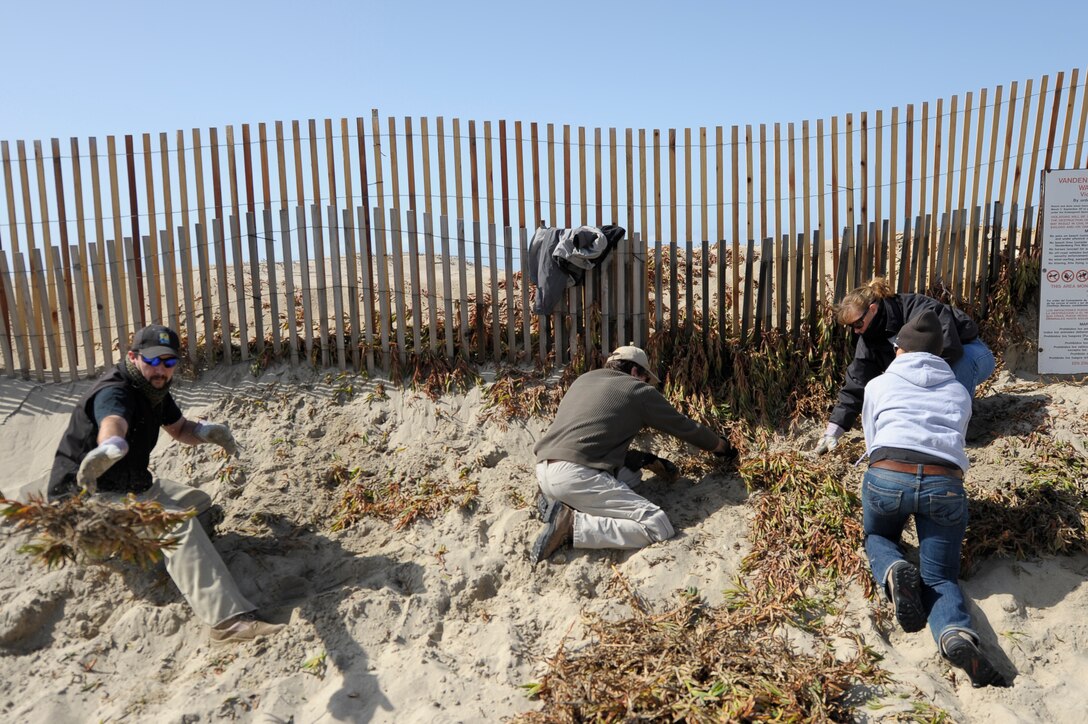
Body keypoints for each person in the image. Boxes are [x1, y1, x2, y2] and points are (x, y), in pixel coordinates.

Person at [48, 325, 284, 644]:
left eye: (169, 362)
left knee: (199, 504)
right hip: (86, 501)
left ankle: (164, 556)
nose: (161, 369)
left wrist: (205, 432)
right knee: (178, 525)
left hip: (131, 488)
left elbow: (180, 428)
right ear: (133, 357)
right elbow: (112, 422)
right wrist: (110, 447)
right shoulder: (115, 390)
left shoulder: (154, 387)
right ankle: (227, 622)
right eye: (154, 360)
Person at [860, 310, 1007, 688]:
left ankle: (893, 571)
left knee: (879, 538)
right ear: (940, 356)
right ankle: (956, 635)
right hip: (944, 483)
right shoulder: (958, 390)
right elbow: (957, 436)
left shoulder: (878, 385)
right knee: (940, 576)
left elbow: (871, 436)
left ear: (899, 351)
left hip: (888, 473)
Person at [530, 345, 734, 563]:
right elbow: (683, 426)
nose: (646, 383)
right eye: (646, 378)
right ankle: (571, 526)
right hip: (576, 476)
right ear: (636, 372)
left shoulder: (583, 380)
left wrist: (638, 459)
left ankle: (558, 502)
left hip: (544, 471)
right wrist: (720, 446)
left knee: (633, 476)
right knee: (657, 525)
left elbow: (589, 437)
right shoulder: (637, 389)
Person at [814, 277, 995, 454]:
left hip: (971, 353)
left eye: (858, 323)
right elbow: (857, 383)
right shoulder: (869, 338)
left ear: (873, 309)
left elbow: (949, 349)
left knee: (960, 363)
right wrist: (833, 432)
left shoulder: (919, 310)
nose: (856, 331)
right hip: (932, 368)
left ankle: (956, 425)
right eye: (851, 327)